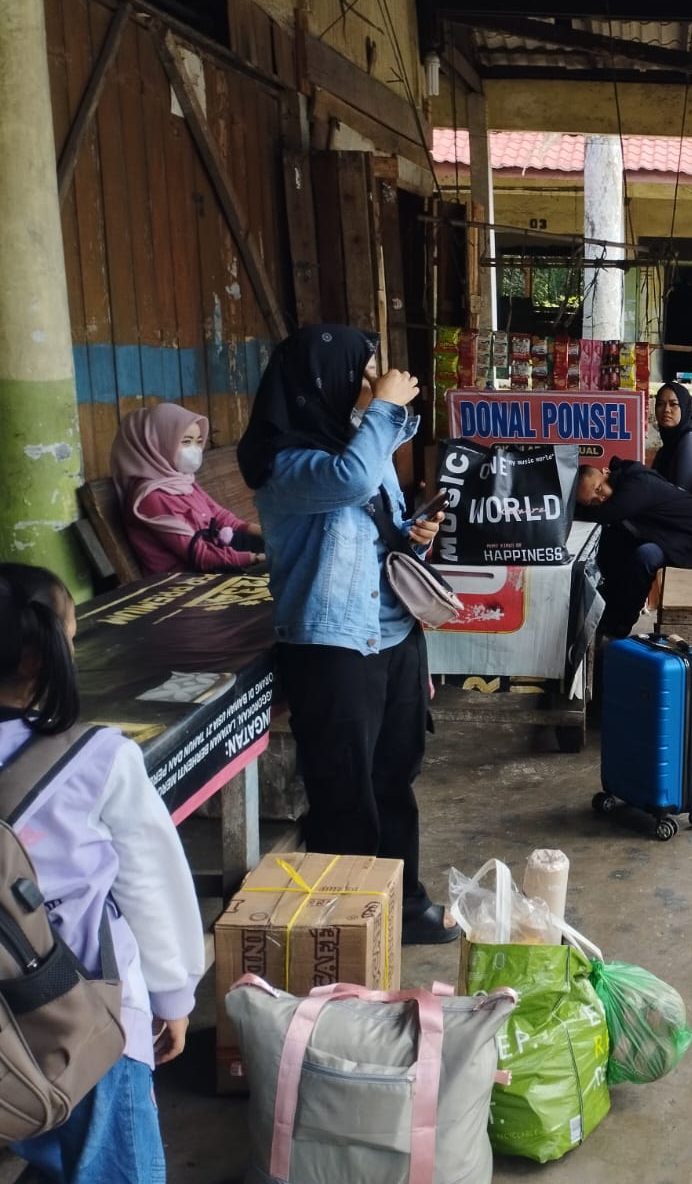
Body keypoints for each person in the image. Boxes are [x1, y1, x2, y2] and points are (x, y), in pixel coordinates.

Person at [237, 325, 456, 946]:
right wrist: (384, 408)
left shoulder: (359, 446)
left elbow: (376, 522)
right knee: (344, 792)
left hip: (393, 634)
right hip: (333, 647)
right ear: (320, 384)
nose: (370, 384)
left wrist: (414, 535)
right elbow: (352, 480)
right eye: (359, 375)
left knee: (393, 778)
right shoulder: (286, 464)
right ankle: (350, 930)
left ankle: (401, 904)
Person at [0, 563, 206, 1181]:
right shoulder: (99, 758)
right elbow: (152, 886)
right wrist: (173, 996)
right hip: (89, 1017)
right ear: (40, 658)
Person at [111, 402, 265, 574]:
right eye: (186, 442)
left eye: (198, 442)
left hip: (214, 564)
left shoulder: (183, 481)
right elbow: (201, 556)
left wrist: (268, 534)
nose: (195, 450)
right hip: (183, 580)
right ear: (158, 444)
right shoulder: (151, 497)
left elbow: (223, 517)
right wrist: (258, 558)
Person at [574, 460, 692, 639]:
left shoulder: (635, 482)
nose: (600, 499)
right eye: (592, 502)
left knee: (645, 557)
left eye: (598, 489)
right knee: (612, 545)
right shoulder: (623, 485)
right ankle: (607, 615)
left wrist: (576, 512)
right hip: (668, 533)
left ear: (605, 472)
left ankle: (619, 627)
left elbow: (610, 512)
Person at [651, 381, 692, 495]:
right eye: (660, 404)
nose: (666, 410)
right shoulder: (670, 444)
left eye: (673, 404)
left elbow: (682, 495)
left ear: (684, 407)